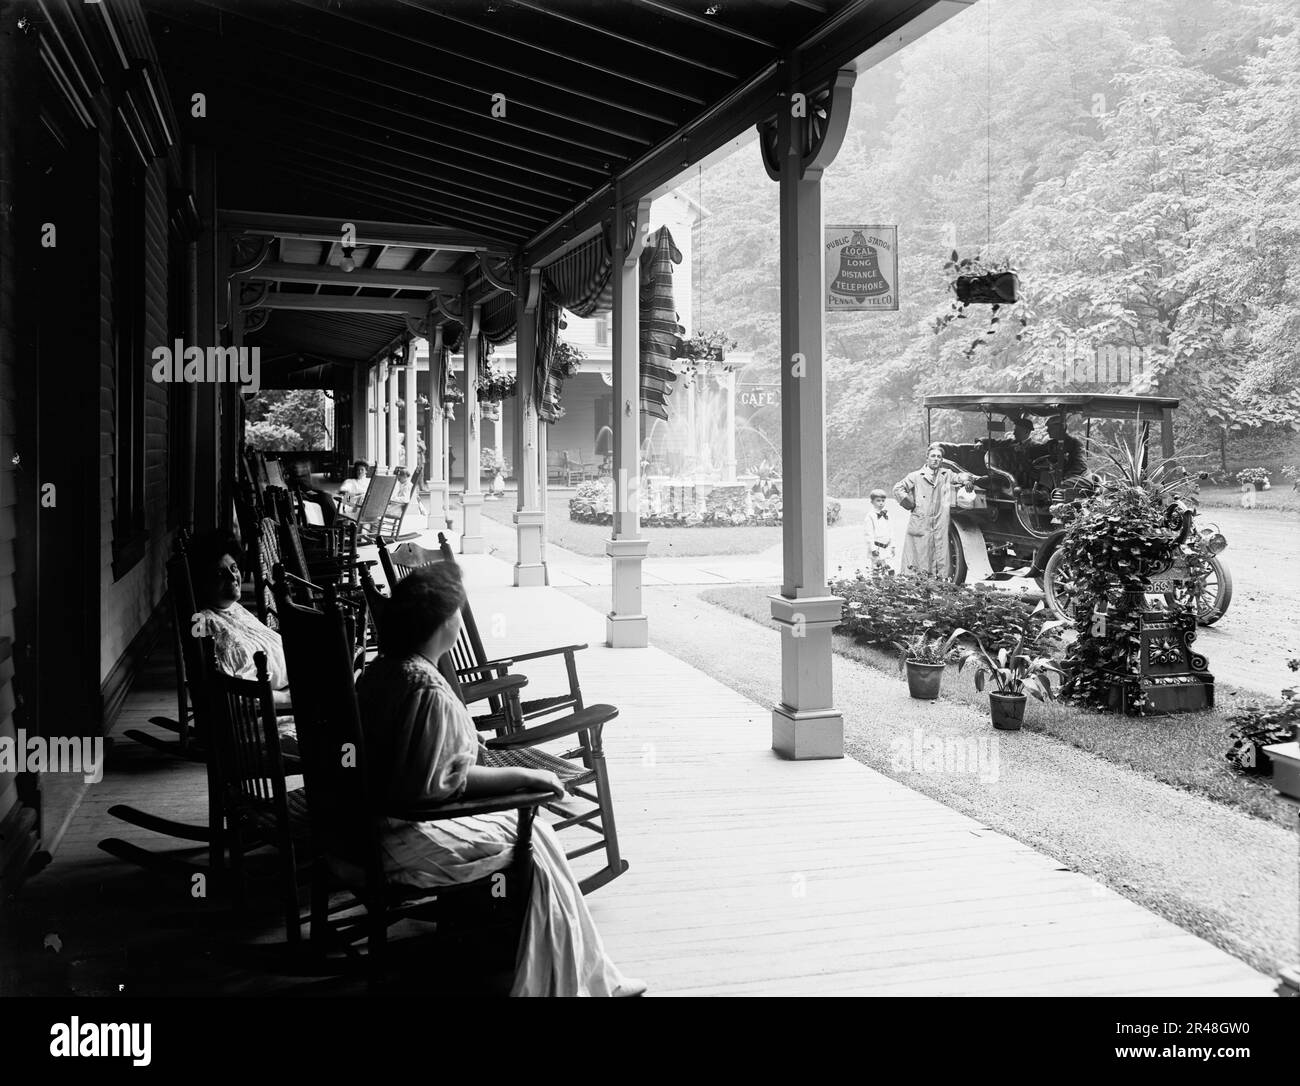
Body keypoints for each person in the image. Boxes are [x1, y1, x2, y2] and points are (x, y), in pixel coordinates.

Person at [355, 564, 646, 998]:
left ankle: (580, 971)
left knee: (538, 834)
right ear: (445, 622)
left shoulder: (382, 671)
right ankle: (567, 984)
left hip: (357, 827)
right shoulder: (427, 692)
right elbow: (439, 786)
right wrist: (527, 775)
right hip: (400, 838)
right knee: (539, 841)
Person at [190, 530, 293, 717]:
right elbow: (230, 694)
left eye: (234, 568)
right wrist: (287, 698)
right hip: (269, 711)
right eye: (220, 573)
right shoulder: (205, 622)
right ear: (203, 583)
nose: (232, 577)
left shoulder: (233, 607)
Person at [893, 444, 958, 577]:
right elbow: (898, 488)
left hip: (939, 520)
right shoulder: (916, 476)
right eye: (933, 456)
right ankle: (919, 585)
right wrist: (910, 504)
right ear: (927, 458)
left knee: (939, 551)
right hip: (920, 520)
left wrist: (967, 479)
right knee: (920, 554)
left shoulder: (946, 474)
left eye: (939, 457)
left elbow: (959, 478)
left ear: (942, 460)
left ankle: (938, 584)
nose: (936, 459)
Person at [864, 489, 895, 575]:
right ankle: (876, 585)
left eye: (883, 501)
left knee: (889, 568)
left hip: (886, 547)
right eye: (878, 501)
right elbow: (868, 534)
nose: (881, 503)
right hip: (876, 547)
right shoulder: (870, 516)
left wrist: (892, 546)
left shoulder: (887, 514)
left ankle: (889, 585)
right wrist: (873, 549)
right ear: (872, 502)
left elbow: (891, 530)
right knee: (876, 569)